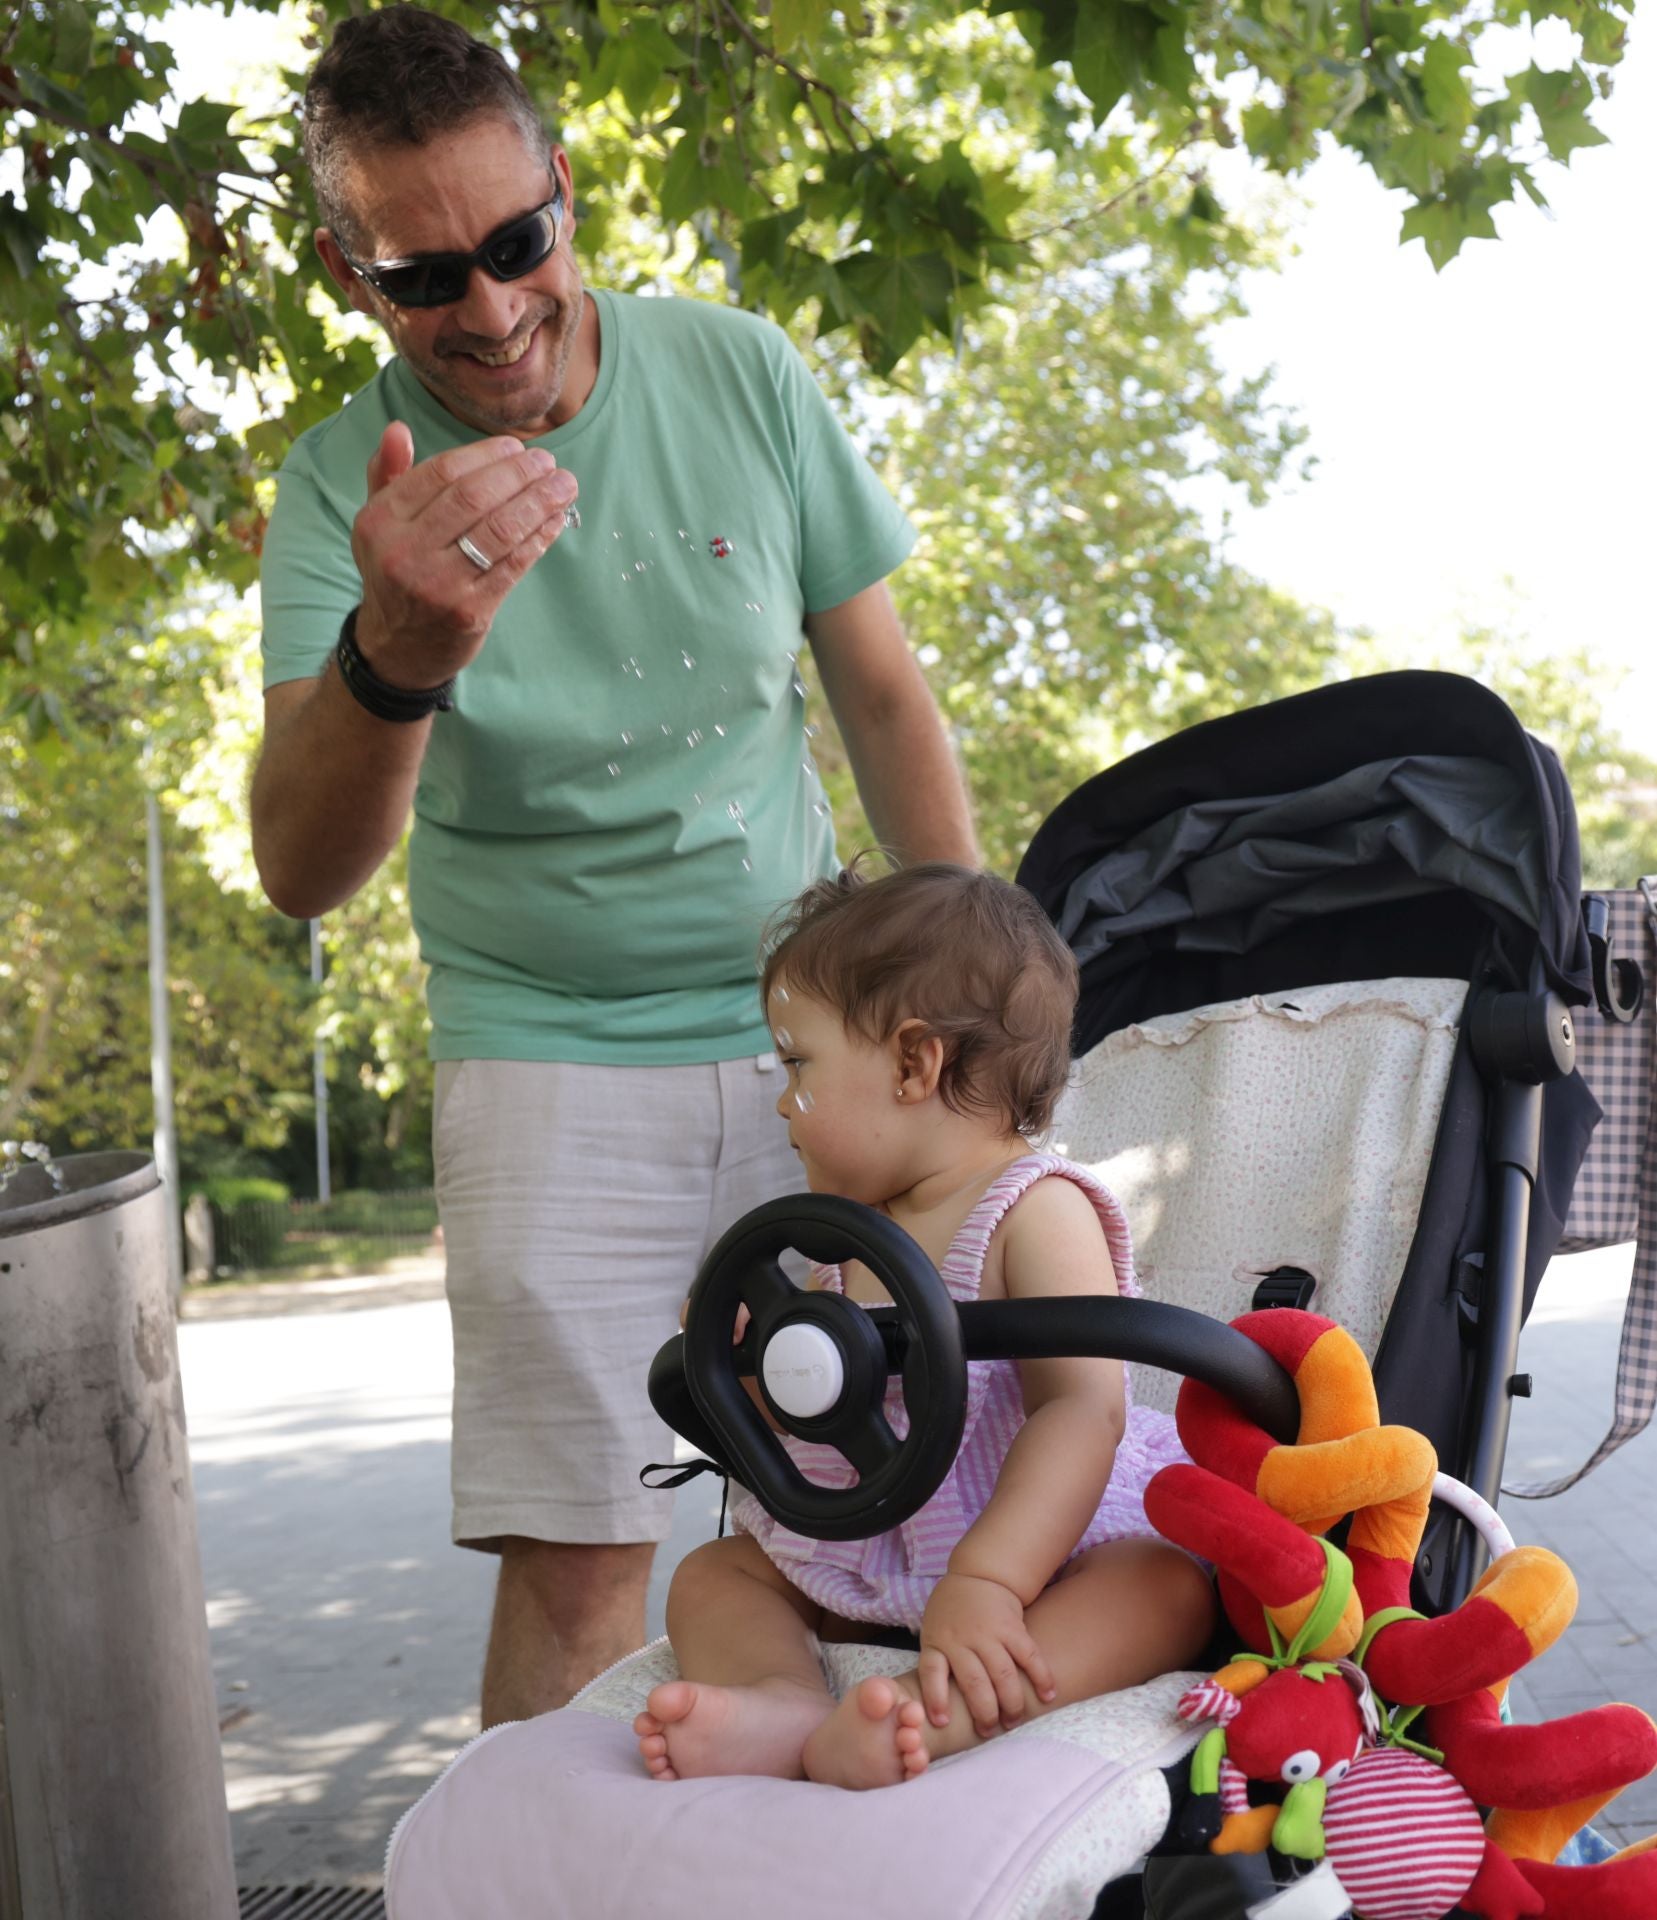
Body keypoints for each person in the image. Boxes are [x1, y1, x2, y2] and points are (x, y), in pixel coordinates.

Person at [249, 4, 977, 1729]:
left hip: (816, 1029)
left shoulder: (736, 369)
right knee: (581, 1570)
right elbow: (299, 868)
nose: (491, 312)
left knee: (896, 1497)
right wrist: (395, 649)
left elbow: (877, 694)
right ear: (354, 279)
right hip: (546, 1042)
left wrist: (971, 987)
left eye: (516, 245)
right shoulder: (330, 492)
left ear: (563, 192)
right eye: (427, 279)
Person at [633, 865, 1215, 1789]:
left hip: (1036, 1552)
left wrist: (989, 1581)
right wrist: (748, 1368)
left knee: (1166, 1587)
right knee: (714, 1575)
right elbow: (814, 1432)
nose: (781, 1102)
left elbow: (1082, 1410)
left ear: (914, 1064)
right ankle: (780, 1701)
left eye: (797, 1065)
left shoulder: (1035, 1209)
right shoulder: (838, 1243)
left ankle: (932, 1717)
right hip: (872, 1540)